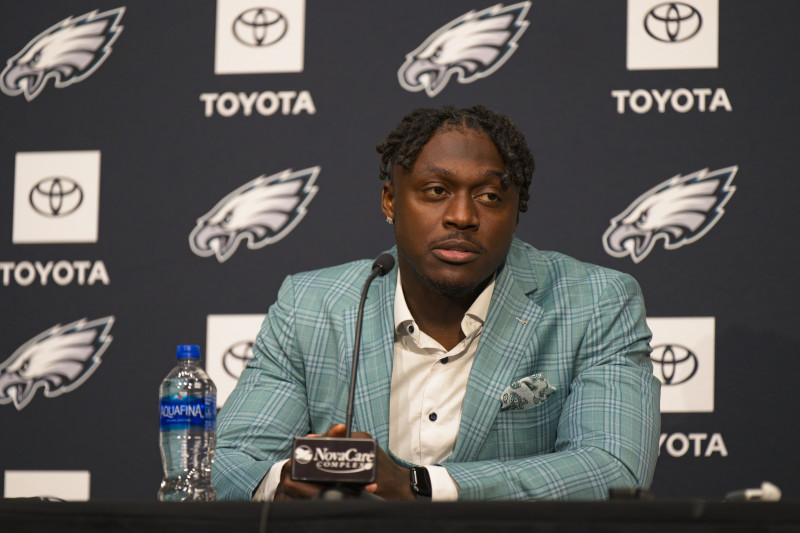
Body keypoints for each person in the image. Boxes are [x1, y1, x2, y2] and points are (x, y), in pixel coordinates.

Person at [212, 105, 661, 501]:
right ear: (390, 200)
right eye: (435, 191)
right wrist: (286, 480)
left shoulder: (596, 303)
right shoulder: (311, 306)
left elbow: (611, 468)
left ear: (516, 209)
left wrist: (420, 487)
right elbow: (225, 463)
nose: (462, 216)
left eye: (489, 196)